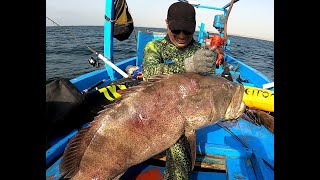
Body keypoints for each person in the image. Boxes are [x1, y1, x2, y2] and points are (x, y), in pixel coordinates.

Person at [142, 1, 217, 81]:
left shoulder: (202, 51)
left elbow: (210, 81)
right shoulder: (154, 47)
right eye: (176, 30)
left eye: (187, 31)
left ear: (194, 26)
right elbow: (147, 74)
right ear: (167, 24)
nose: (182, 36)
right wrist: (188, 66)